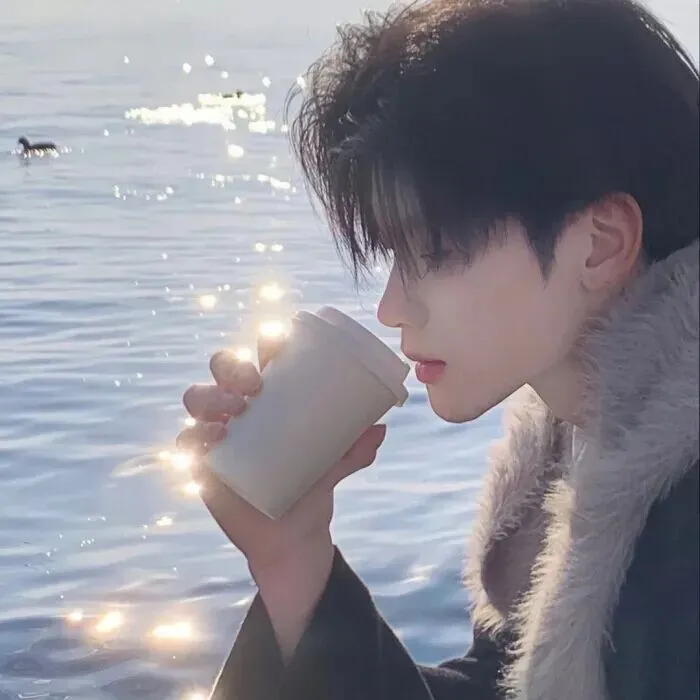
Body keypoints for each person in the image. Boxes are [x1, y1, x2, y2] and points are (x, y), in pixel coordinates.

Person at [176, 0, 699, 697]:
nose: (392, 307)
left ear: (600, 244)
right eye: (395, 253)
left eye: (437, 251)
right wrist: (293, 560)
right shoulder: (580, 438)